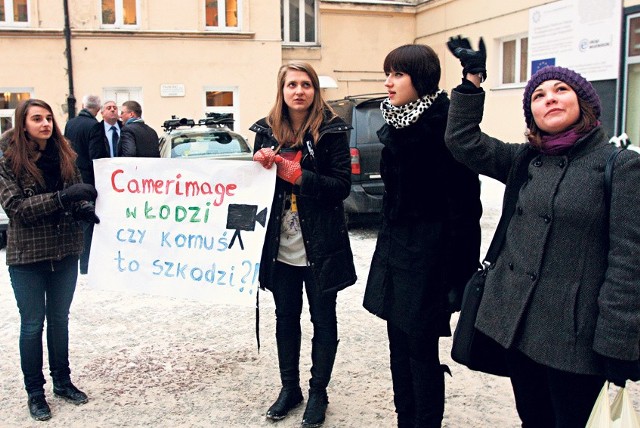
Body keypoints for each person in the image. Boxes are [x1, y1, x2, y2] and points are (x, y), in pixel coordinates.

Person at [445, 36, 640, 428]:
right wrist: (471, 82)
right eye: (539, 95)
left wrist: (618, 343)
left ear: (582, 103)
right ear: (531, 113)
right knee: (533, 420)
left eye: (561, 90)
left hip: (576, 341)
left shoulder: (619, 166)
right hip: (519, 330)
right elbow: (462, 141)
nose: (549, 98)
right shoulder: (523, 160)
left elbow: (629, 261)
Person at [362, 44, 482, 428]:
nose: (388, 82)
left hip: (432, 260)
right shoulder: (396, 121)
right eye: (388, 73)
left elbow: (466, 208)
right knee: (397, 348)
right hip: (396, 253)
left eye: (398, 74)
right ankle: (405, 420)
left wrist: (460, 276)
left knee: (420, 352)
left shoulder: (443, 124)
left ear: (422, 78)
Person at [250, 62, 357, 428]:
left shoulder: (330, 129)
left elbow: (342, 186)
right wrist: (260, 166)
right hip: (279, 246)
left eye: (306, 84)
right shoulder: (265, 131)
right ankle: (289, 387)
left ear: (315, 90)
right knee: (285, 318)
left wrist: (299, 175)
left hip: (320, 245)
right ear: (281, 90)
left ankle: (318, 392)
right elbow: (255, 190)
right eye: (292, 84)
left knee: (323, 320)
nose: (299, 91)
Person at [0, 99, 100, 421]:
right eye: (36, 118)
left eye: (48, 118)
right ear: (23, 123)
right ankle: (35, 391)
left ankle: (62, 381)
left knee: (60, 321)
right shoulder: (7, 161)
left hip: (66, 250)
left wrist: (82, 209)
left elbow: (74, 195)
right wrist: (63, 198)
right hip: (28, 256)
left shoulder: (66, 155)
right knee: (32, 325)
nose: (45, 123)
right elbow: (17, 209)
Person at [64, 94, 101, 274]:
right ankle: (86, 264)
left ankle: (77, 259)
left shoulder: (70, 123)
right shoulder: (94, 125)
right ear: (98, 109)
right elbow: (95, 155)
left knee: (76, 218)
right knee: (88, 220)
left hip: (71, 174)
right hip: (88, 177)